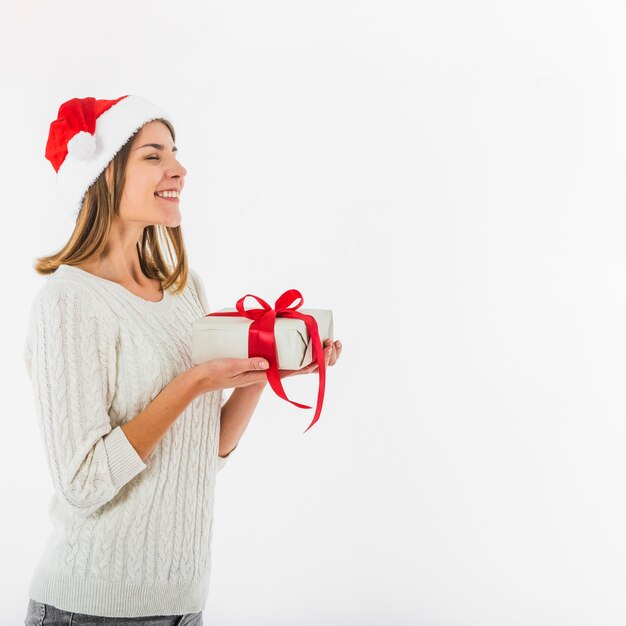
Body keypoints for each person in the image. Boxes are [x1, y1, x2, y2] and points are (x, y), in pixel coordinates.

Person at [22, 94, 342, 625]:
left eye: (175, 152)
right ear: (103, 174)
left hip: (182, 607)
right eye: (154, 155)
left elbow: (200, 452)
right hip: (91, 610)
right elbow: (81, 484)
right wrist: (192, 383)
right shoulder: (69, 302)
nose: (179, 169)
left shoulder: (184, 290)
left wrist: (262, 374)